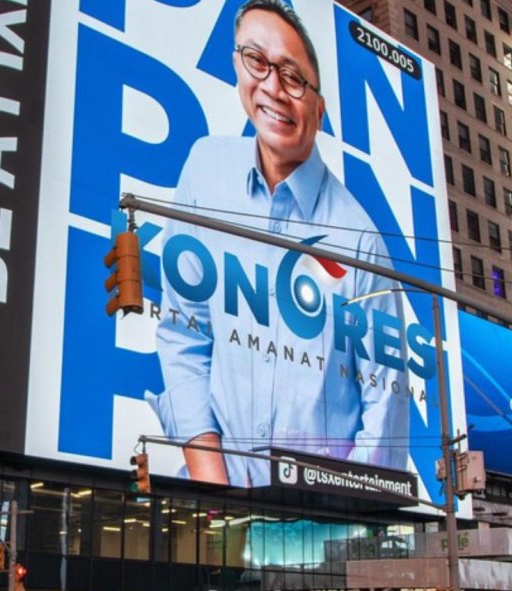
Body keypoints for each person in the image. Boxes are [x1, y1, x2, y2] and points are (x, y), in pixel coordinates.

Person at [148, 0, 407, 487]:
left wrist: (338, 516)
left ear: (319, 107)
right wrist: (214, 488)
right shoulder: (204, 169)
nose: (272, 87)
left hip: (317, 528)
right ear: (237, 65)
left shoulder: (361, 239)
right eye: (257, 61)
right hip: (210, 501)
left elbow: (384, 405)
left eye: (292, 76)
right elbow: (184, 334)